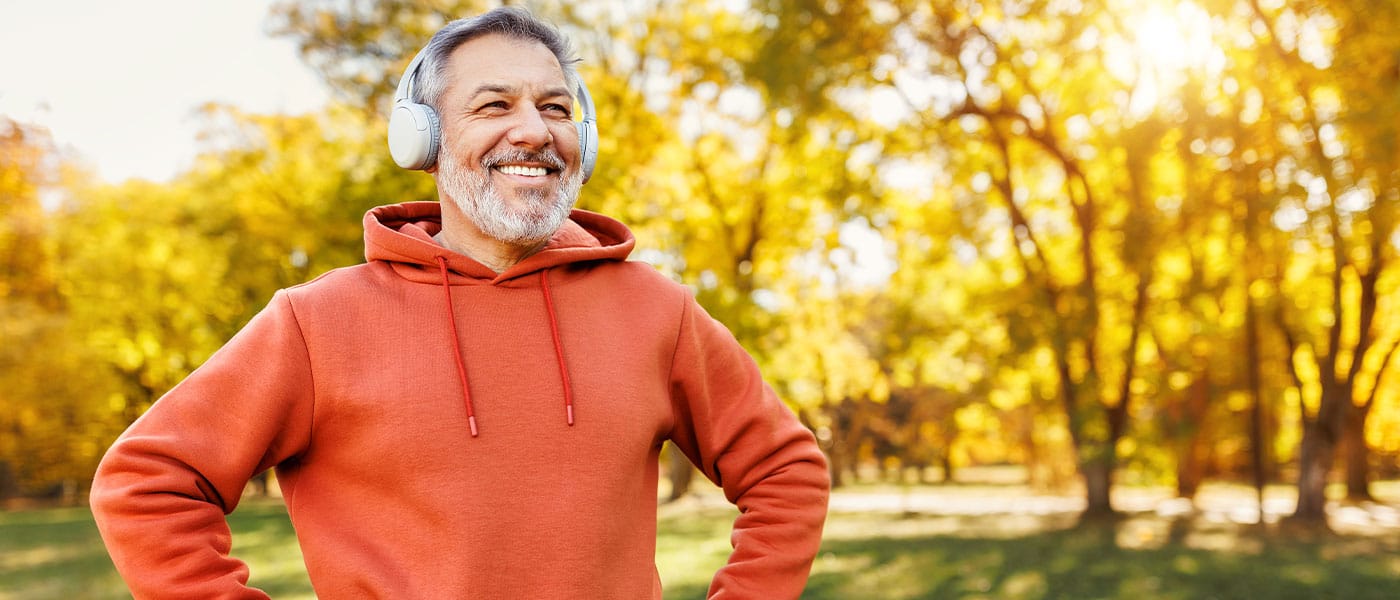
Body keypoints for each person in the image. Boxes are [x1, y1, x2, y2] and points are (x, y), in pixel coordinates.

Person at [89, 7, 830, 599]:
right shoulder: (314, 323)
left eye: (555, 107)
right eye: (493, 105)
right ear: (424, 138)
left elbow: (786, 472)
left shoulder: (658, 311)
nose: (533, 130)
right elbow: (145, 485)